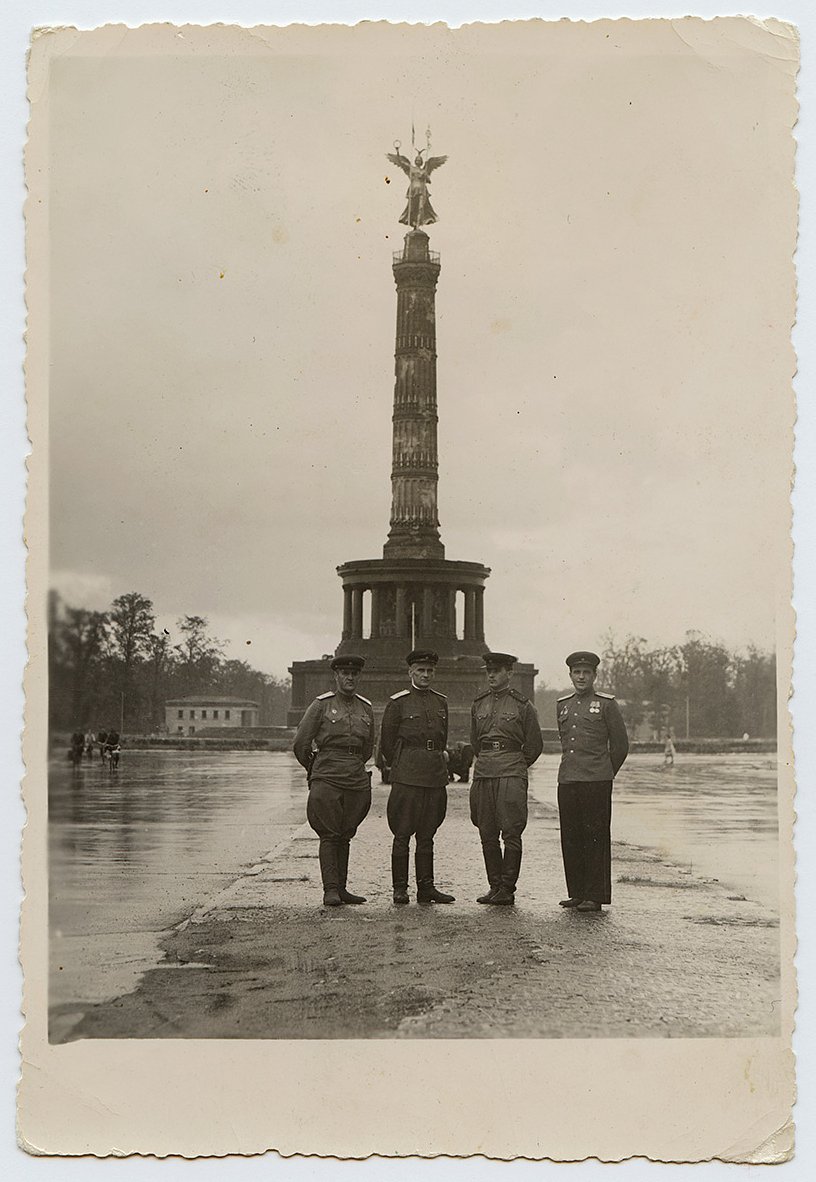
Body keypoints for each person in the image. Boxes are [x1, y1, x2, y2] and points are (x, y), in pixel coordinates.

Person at [293, 655, 375, 907]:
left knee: (346, 831)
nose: (350, 678)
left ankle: (342, 888)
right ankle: (330, 890)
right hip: (327, 776)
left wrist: (353, 766)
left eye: (354, 674)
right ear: (336, 676)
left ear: (359, 676)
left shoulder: (365, 707)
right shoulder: (321, 706)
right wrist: (317, 768)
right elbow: (301, 744)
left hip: (355, 777)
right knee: (329, 833)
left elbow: (368, 747)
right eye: (345, 673)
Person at [556, 651, 629, 913]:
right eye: (577, 672)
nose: (582, 677)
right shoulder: (562, 704)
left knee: (595, 837)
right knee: (571, 836)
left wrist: (605, 773)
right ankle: (576, 892)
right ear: (571, 675)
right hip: (568, 779)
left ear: (595, 675)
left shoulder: (606, 704)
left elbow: (620, 746)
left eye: (587, 672)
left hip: (596, 781)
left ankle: (594, 895)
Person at [380, 649, 454, 905]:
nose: (425, 675)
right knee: (402, 834)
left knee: (427, 834)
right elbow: (387, 745)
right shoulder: (398, 703)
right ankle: (400, 888)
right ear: (410, 672)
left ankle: (426, 888)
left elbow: (442, 738)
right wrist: (403, 765)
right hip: (408, 776)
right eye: (420, 670)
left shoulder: (440, 702)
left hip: (434, 775)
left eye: (429, 671)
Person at [469, 652, 543, 906]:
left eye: (497, 671)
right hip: (485, 771)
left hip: (511, 771)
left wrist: (517, 766)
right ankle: (495, 886)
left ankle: (508, 889)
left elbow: (534, 744)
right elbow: (475, 743)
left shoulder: (523, 705)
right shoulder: (479, 703)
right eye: (488, 671)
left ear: (509, 674)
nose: (491, 675)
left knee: (511, 831)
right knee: (486, 831)